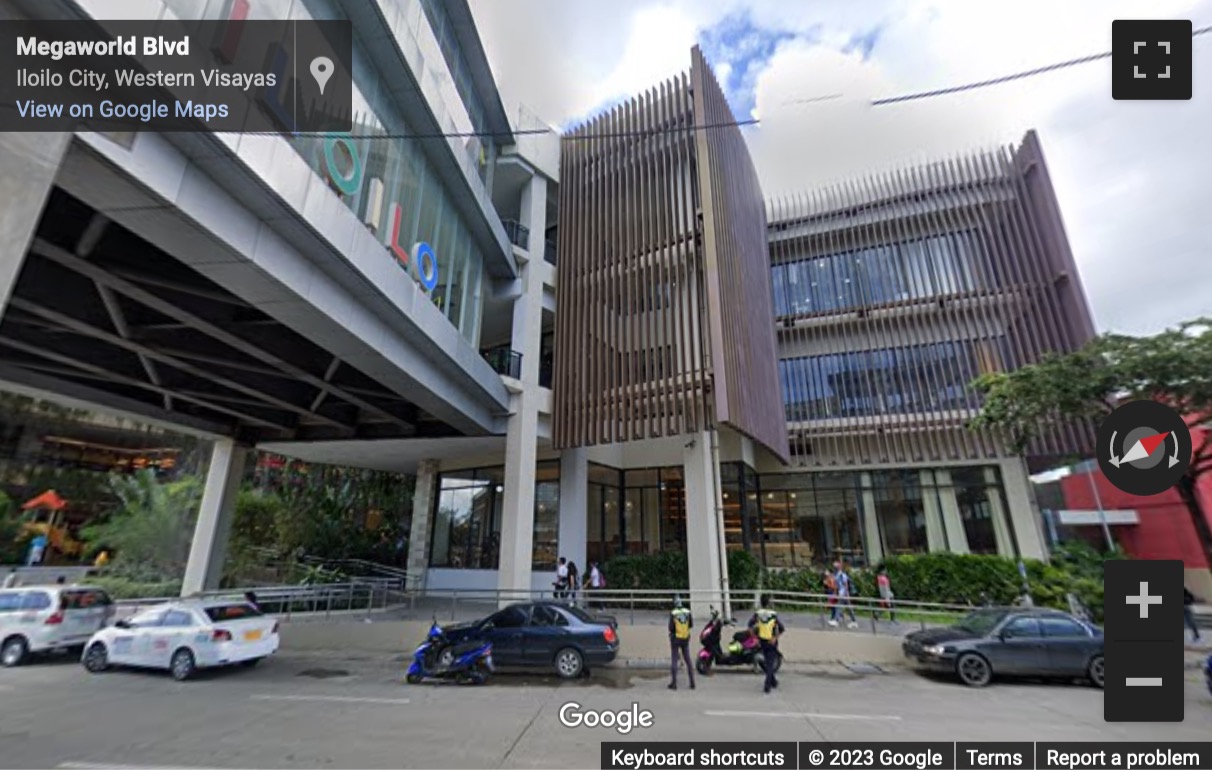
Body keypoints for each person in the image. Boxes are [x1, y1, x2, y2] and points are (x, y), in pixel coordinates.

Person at [749, 594, 785, 694]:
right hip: (771, 642)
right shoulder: (773, 614)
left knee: (767, 662)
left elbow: (750, 625)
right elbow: (781, 628)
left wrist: (755, 638)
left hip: (762, 641)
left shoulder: (758, 613)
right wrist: (775, 638)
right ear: (769, 603)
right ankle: (767, 685)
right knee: (769, 664)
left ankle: (773, 682)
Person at [668, 597, 695, 690]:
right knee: (688, 660)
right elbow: (691, 625)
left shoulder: (673, 613)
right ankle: (692, 682)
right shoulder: (687, 612)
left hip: (675, 639)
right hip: (685, 638)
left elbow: (670, 627)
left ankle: (674, 684)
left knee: (674, 659)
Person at [830, 560, 858, 628]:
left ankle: (836, 620)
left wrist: (846, 593)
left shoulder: (842, 574)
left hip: (844, 593)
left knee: (840, 606)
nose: (834, 568)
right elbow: (837, 585)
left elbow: (845, 585)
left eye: (836, 566)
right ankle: (854, 621)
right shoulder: (836, 575)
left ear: (839, 567)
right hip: (841, 593)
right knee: (848, 608)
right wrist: (836, 593)